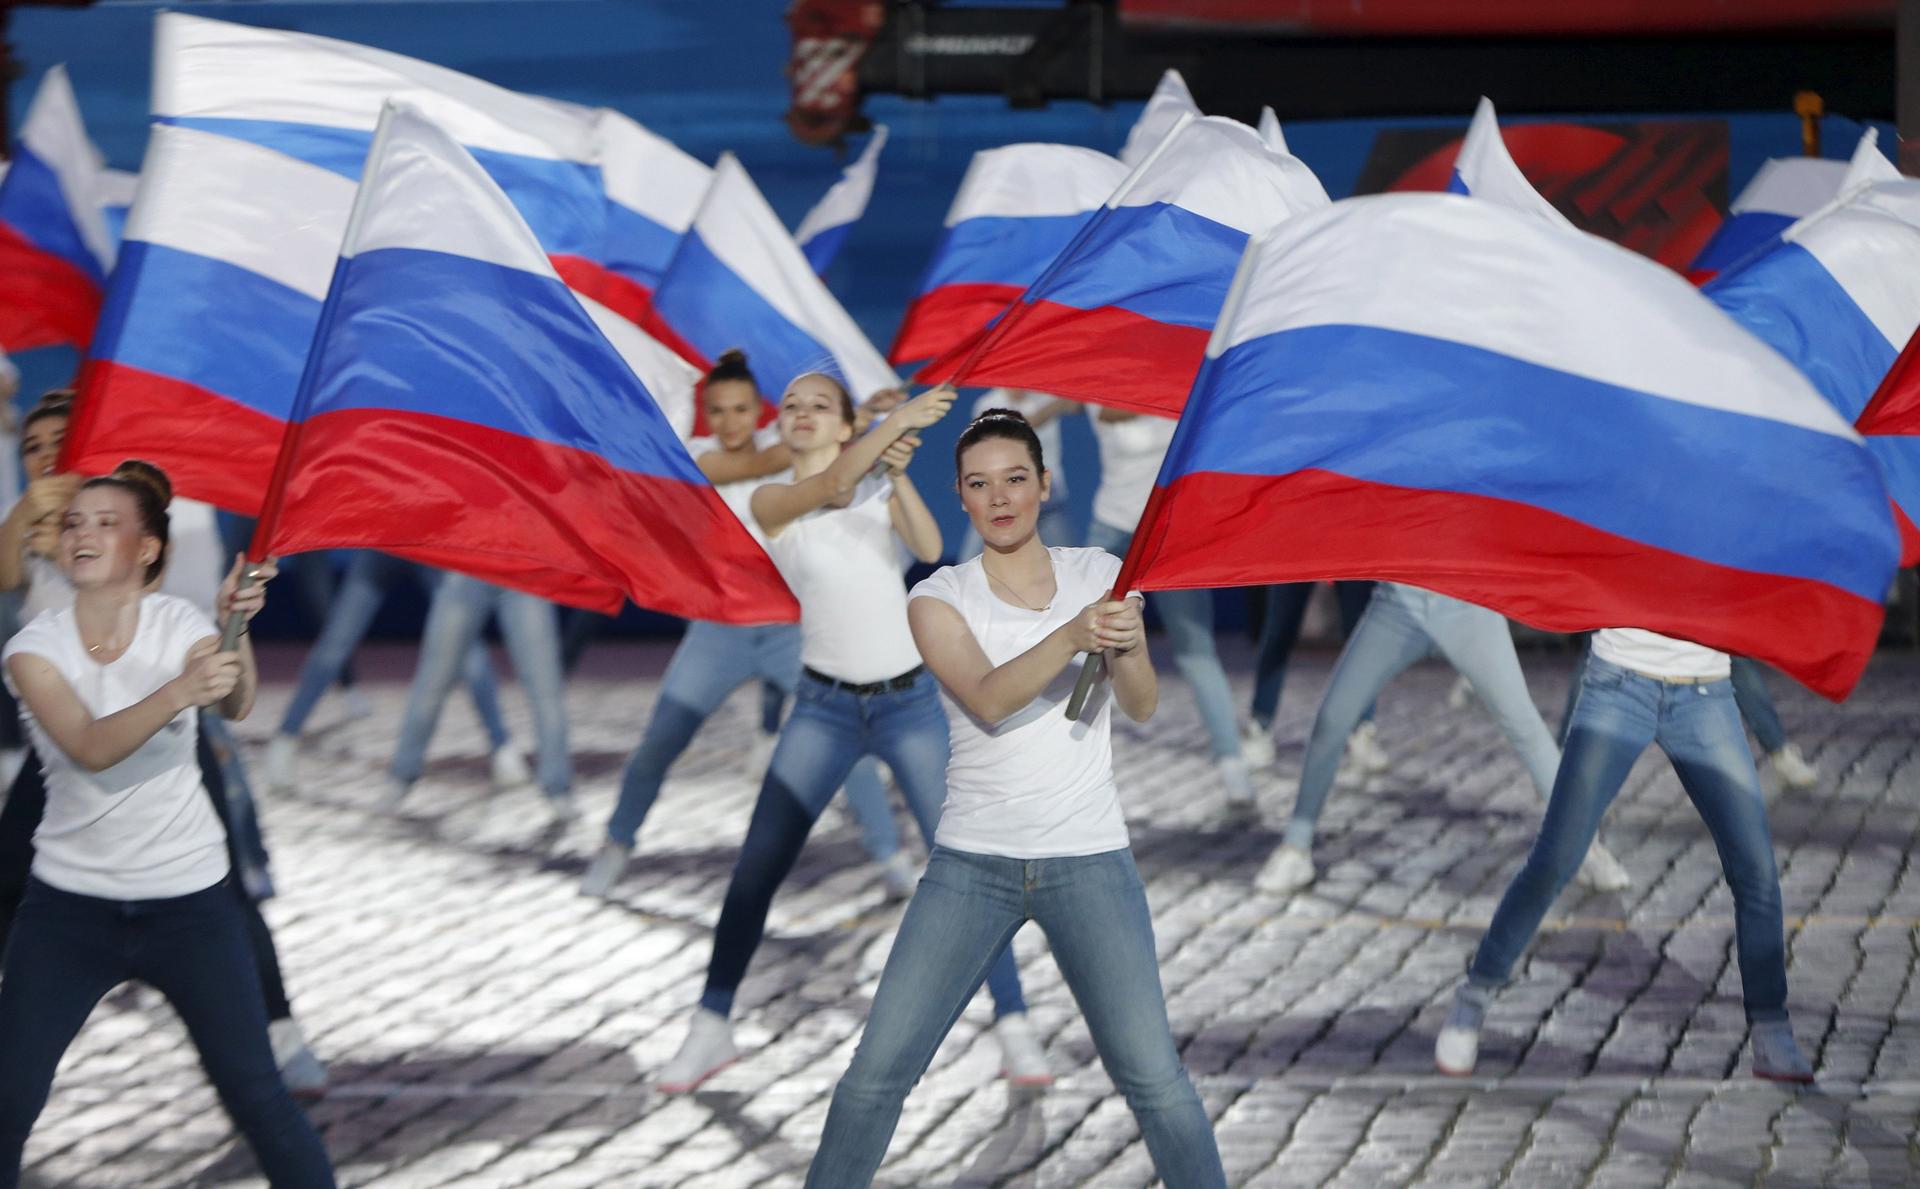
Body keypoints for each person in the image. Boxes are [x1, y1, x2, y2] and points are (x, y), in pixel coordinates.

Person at [807, 409, 1226, 1187]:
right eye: (979, 483)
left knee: (1155, 1079)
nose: (999, 497)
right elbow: (990, 698)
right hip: (972, 867)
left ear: (1044, 483)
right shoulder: (938, 595)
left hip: (1089, 860)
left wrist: (1129, 641)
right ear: (961, 496)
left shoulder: (1100, 572)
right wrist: (1070, 636)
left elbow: (1140, 704)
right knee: (876, 1075)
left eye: (1014, 478)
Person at [656, 375, 1049, 1093]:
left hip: (909, 707)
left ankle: (1015, 1022)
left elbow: (928, 543)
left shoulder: (871, 485)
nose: (802, 413)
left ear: (843, 426)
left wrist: (895, 473)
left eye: (819, 405)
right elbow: (833, 486)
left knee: (968, 866)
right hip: (823, 710)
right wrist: (890, 425)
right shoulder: (770, 499)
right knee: (757, 867)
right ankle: (710, 1026)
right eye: (792, 405)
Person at [0, 461, 336, 1186]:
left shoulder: (180, 624)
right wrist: (179, 690)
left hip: (191, 909)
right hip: (68, 913)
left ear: (147, 547)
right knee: (6, 1101)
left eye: (106, 522)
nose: (83, 533)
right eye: (74, 522)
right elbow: (90, 747)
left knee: (259, 1097)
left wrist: (234, 626)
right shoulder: (32, 647)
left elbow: (234, 700)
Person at [581, 351, 912, 900]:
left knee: (845, 745)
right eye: (718, 410)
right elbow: (753, 465)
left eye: (740, 409)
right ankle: (617, 844)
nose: (729, 421)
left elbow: (831, 463)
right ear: (706, 414)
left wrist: (864, 422)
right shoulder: (697, 456)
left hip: (790, 631)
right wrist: (857, 422)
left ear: (756, 410)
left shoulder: (788, 446)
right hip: (718, 633)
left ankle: (890, 855)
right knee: (660, 743)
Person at [1436, 628, 1814, 1083]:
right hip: (1619, 685)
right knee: (1556, 859)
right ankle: (1473, 998)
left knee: (1757, 871)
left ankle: (1771, 1029)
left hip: (1705, 695)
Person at [1255, 583, 1631, 895]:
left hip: (1467, 604)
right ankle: (1296, 847)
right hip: (1396, 604)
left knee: (1523, 723)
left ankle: (1584, 846)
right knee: (1333, 719)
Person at [1082, 406, 1254, 803]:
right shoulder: (1096, 390)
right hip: (1111, 529)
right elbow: (1095, 410)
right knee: (1080, 642)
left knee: (1196, 651)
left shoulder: (1180, 389)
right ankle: (1064, 754)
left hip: (1168, 532)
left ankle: (1232, 764)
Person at [260, 552, 533, 797]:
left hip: (428, 546)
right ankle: (285, 739)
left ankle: (502, 746)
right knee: (337, 641)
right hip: (390, 544)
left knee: (466, 645)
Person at [381, 571, 569, 819]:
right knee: (433, 682)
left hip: (525, 573)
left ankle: (558, 787)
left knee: (546, 692)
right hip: (467, 574)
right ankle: (401, 775)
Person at [1240, 581, 1384, 775]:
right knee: (1278, 631)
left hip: (1349, 563)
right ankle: (1260, 726)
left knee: (1360, 635)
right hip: (1295, 562)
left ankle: (1362, 729)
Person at [955, 389, 1076, 558]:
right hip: (999, 500)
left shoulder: (1047, 396)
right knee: (967, 561)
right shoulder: (987, 403)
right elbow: (1010, 433)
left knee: (1070, 560)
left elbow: (1077, 405)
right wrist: (1055, 406)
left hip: (1048, 499)